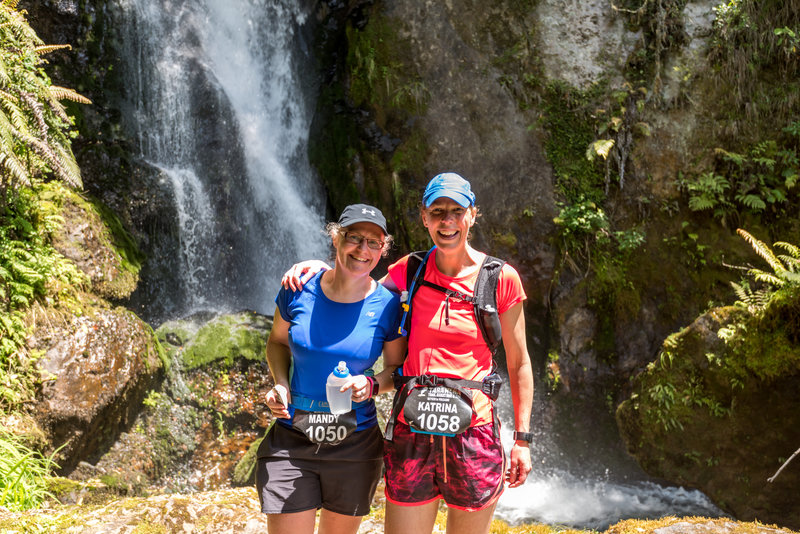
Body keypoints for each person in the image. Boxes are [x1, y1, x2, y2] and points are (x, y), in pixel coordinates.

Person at [282, 173, 534, 534]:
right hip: (411, 432)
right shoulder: (409, 271)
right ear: (424, 217)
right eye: (437, 212)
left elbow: (519, 362)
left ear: (472, 215)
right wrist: (318, 267)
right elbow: (356, 284)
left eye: (456, 211)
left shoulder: (500, 278)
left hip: (473, 434)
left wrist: (522, 441)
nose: (447, 221)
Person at [257, 203, 406, 534]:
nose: (362, 249)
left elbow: (397, 369)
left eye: (373, 242)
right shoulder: (298, 289)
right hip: (292, 437)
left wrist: (372, 384)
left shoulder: (388, 305)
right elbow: (277, 343)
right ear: (336, 238)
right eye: (354, 237)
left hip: (355, 443)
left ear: (383, 250)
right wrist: (280, 384)